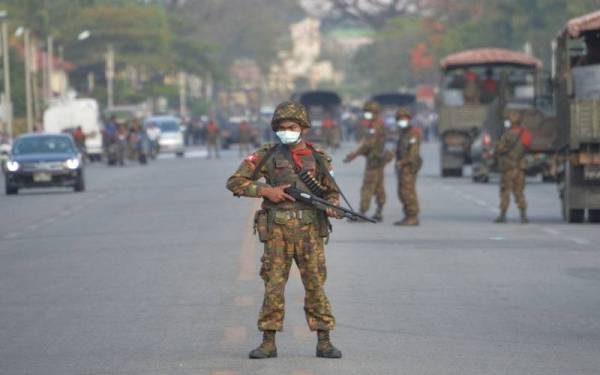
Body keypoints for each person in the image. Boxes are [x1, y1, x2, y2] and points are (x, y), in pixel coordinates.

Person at [226, 101, 342, 359]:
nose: (285, 131)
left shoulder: (319, 158)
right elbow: (235, 182)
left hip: (310, 231)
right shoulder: (266, 155)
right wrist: (267, 191)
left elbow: (332, 193)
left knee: (315, 286)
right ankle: (268, 342)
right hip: (277, 231)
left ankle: (324, 341)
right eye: (281, 128)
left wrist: (333, 206)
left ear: (303, 128)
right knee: (274, 287)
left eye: (291, 127)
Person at [343, 101, 393, 222]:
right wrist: (354, 154)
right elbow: (365, 141)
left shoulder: (375, 127)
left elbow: (367, 144)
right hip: (378, 160)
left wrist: (353, 155)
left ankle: (362, 212)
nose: (366, 114)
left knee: (367, 186)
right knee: (379, 186)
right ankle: (379, 211)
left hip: (374, 161)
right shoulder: (375, 125)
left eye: (369, 112)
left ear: (375, 113)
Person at [493, 111, 532, 224]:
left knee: (505, 191)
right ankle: (523, 216)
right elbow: (528, 146)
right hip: (520, 168)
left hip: (508, 168)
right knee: (519, 192)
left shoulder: (507, 135)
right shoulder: (526, 134)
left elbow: (499, 149)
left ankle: (503, 215)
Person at [394, 108, 423, 226]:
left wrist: (402, 162)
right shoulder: (403, 133)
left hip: (409, 166)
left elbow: (413, 153)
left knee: (408, 191)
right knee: (402, 191)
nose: (402, 121)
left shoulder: (414, 133)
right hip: (402, 166)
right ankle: (407, 215)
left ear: (409, 119)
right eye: (400, 119)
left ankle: (412, 216)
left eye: (404, 119)